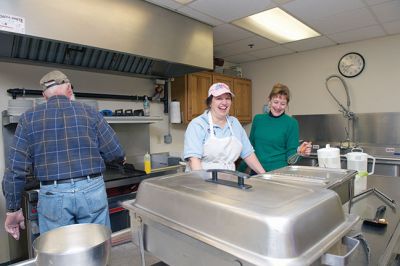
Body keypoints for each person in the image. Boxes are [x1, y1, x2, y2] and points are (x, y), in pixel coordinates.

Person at [2, 70, 125, 240]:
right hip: (92, 190)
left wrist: (13, 209)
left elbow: (15, 169)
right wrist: (119, 162)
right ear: (69, 89)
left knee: (59, 252)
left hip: (53, 194)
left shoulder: (28, 118)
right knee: (97, 247)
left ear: (45, 96)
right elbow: (115, 152)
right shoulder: (90, 113)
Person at [183, 82, 265, 174]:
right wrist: (205, 186)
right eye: (219, 98)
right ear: (210, 102)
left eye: (228, 98)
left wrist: (264, 175)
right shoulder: (198, 124)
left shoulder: (235, 123)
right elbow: (194, 161)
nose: (224, 102)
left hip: (228, 179)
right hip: (202, 180)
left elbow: (248, 154)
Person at [239, 83, 311, 173]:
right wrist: (239, 172)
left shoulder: (291, 123)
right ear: (269, 100)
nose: (278, 107)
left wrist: (299, 153)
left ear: (287, 104)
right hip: (257, 173)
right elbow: (249, 149)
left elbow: (290, 159)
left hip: (279, 174)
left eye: (282, 104)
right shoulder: (258, 119)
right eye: (275, 102)